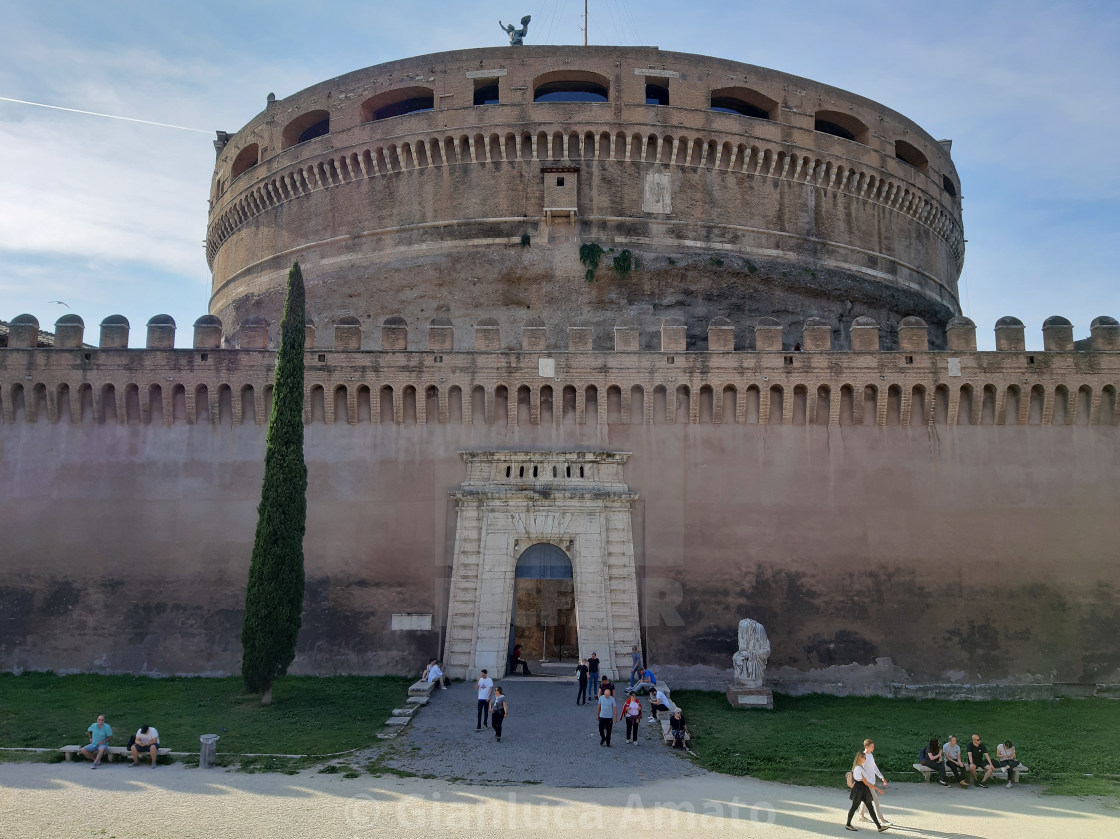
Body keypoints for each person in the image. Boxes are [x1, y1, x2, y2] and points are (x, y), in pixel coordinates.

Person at [846, 751, 887, 832]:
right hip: (860, 789)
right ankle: (848, 824)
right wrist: (877, 789)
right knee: (854, 807)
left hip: (862, 789)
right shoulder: (858, 768)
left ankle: (879, 827)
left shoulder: (859, 767)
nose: (865, 759)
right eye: (864, 757)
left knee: (870, 808)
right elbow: (866, 783)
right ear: (860, 758)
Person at [858, 739, 890, 825]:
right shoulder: (863, 756)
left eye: (873, 746)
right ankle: (882, 820)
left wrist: (882, 777)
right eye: (872, 746)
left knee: (865, 799)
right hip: (867, 783)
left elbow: (874, 767)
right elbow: (860, 770)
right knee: (876, 801)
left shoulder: (870, 755)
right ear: (867, 747)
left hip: (872, 781)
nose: (873, 748)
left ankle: (861, 816)